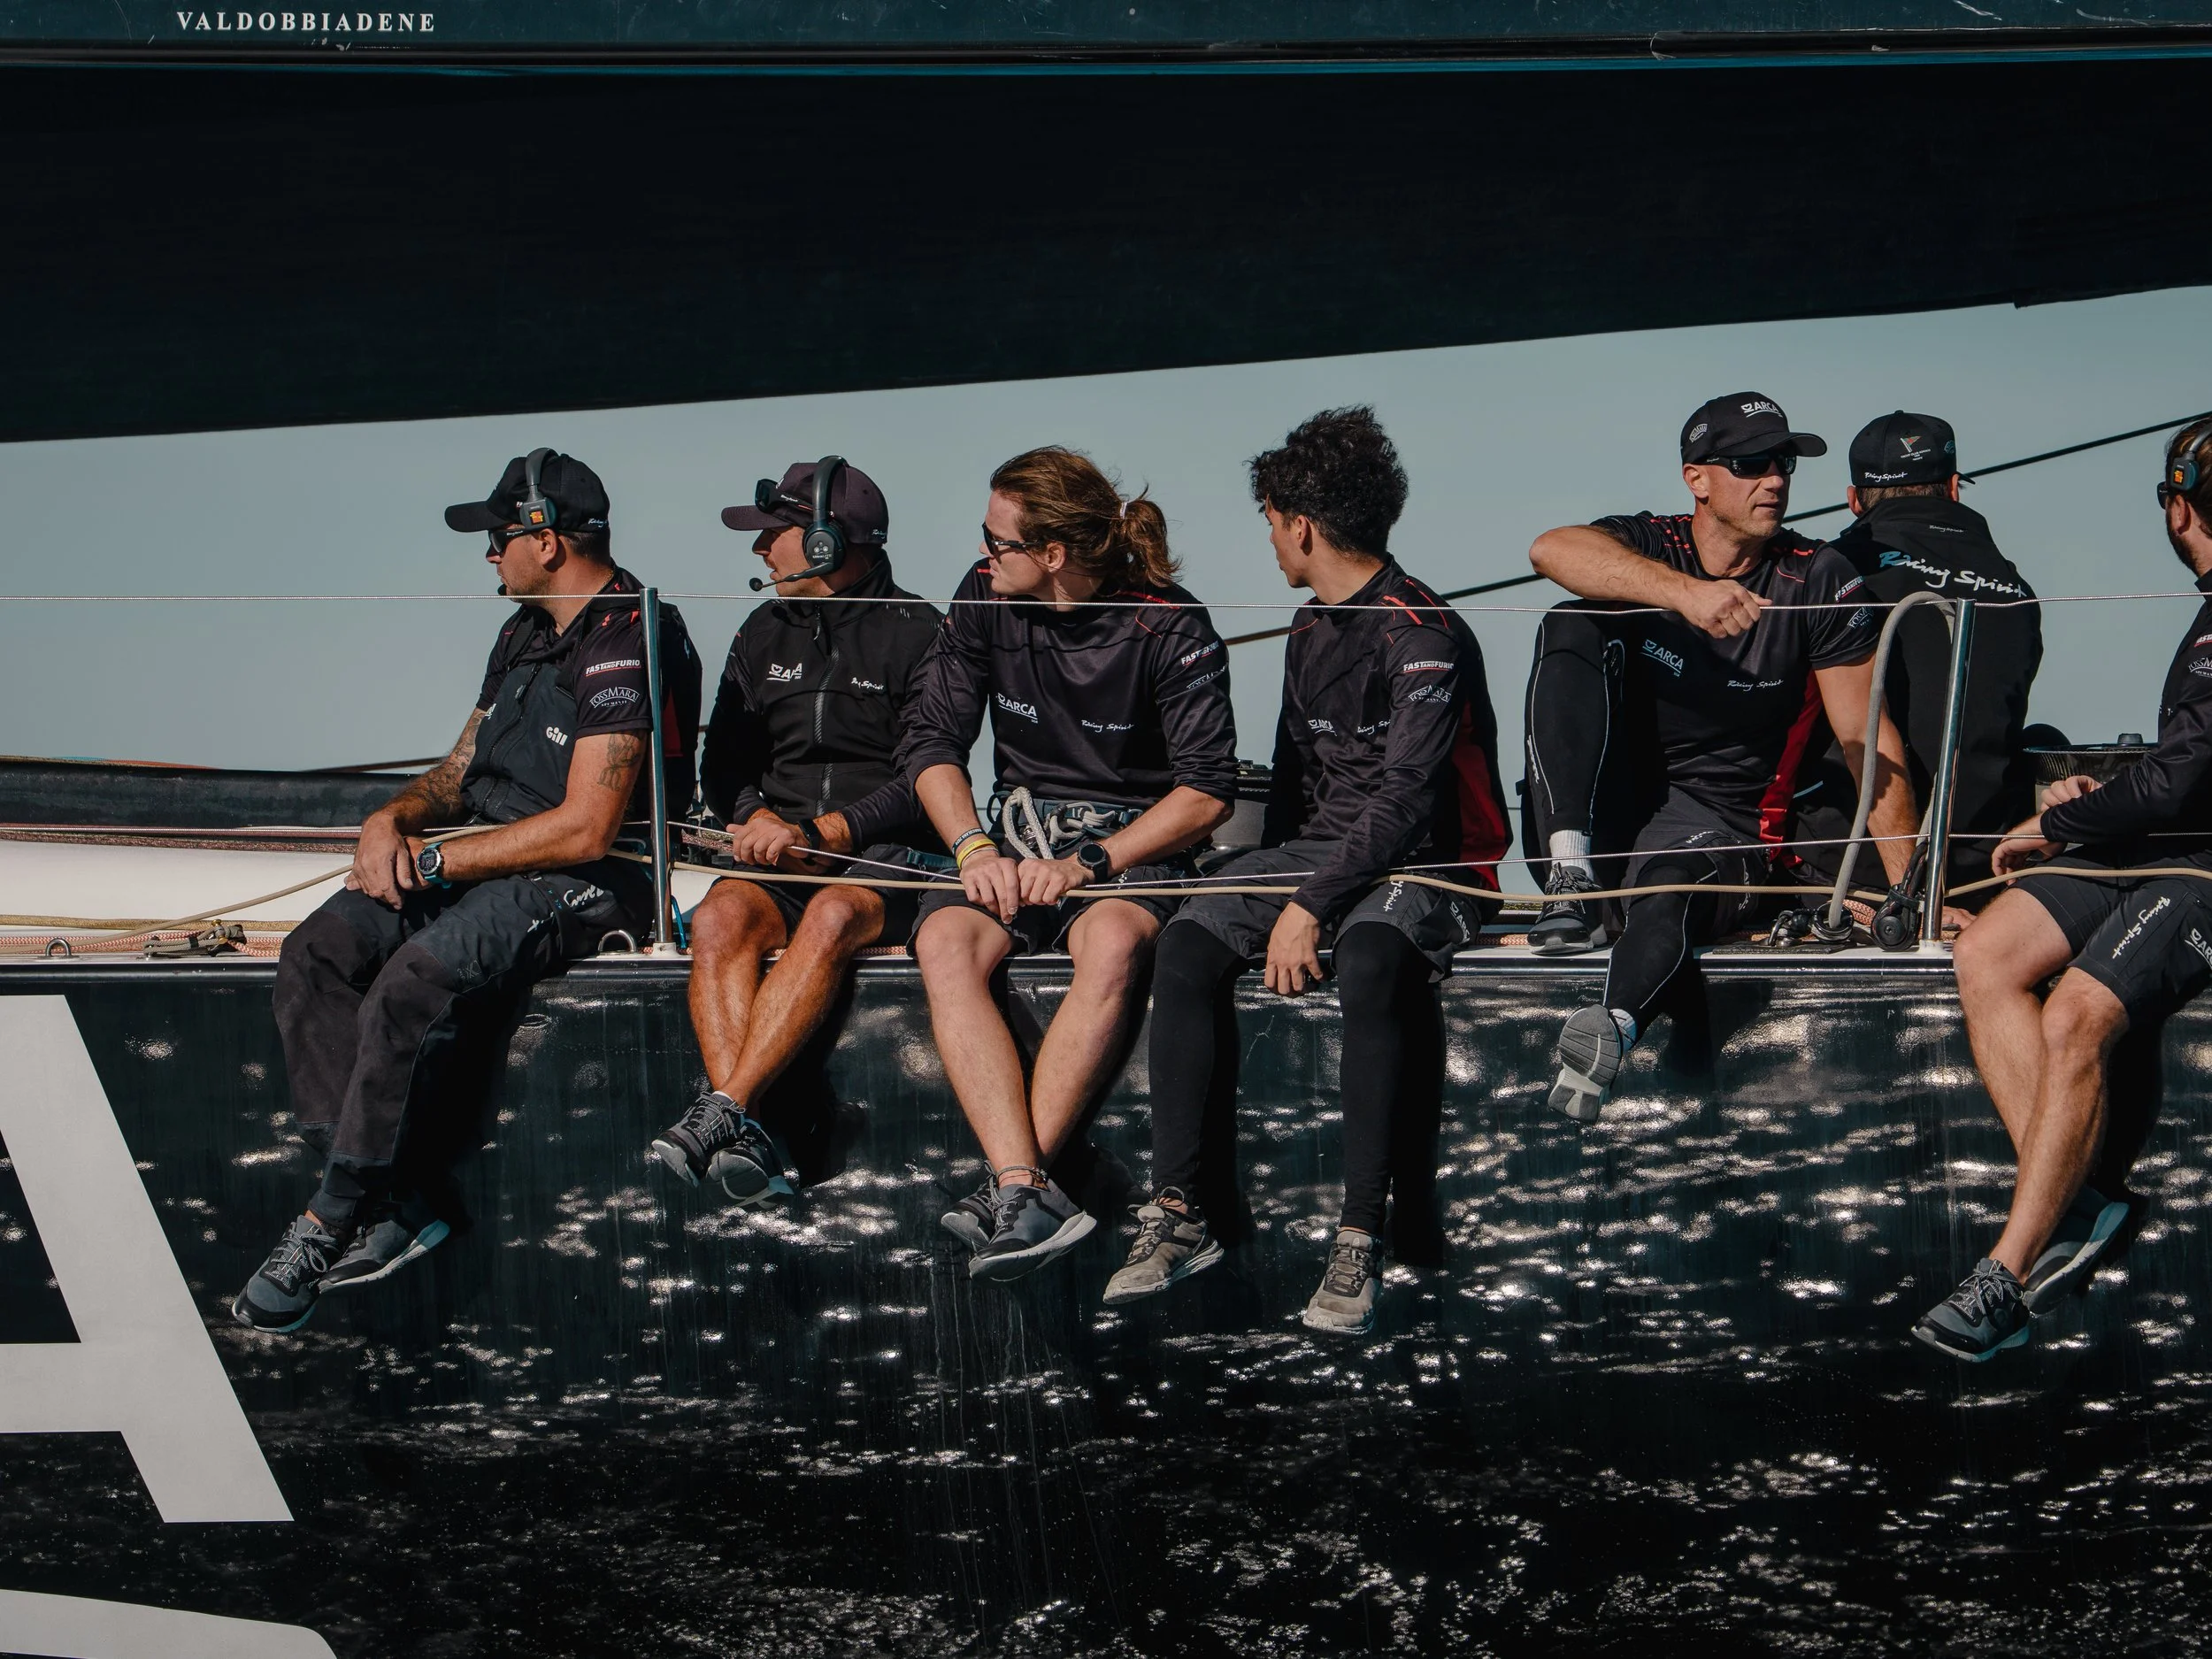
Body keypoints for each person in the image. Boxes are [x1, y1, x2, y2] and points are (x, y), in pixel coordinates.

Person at [235, 449, 702, 1333]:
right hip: (482, 856)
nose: (488, 555)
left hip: (591, 879)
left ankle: (329, 1218)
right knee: (318, 953)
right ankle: (391, 1201)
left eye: (497, 538)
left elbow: (587, 830)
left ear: (547, 540)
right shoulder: (522, 629)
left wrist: (441, 864)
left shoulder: (626, 633)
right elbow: (461, 767)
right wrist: (393, 821)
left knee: (414, 977)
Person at [1103, 407, 1511, 1334]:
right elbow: (1297, 791)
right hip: (1327, 856)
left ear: (1300, 524)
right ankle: (1179, 1214)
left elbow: (1407, 802)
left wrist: (1306, 907)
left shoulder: (1423, 631)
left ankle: (1360, 1235)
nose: (1270, 542)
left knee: (1368, 951)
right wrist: (1273, 887)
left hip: (1435, 864)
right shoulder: (1306, 627)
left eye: (1269, 523)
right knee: (1191, 940)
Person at [1522, 394, 1919, 1119]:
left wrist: (1911, 895)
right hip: (1604, 821)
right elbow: (1550, 549)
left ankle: (1612, 1028)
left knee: (1668, 885)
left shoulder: (1817, 576)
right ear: (1697, 479)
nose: (1775, 479)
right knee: (1569, 618)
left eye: (1784, 463)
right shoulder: (1653, 542)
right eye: (1751, 464)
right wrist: (1687, 595)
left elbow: (1870, 738)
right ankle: (1566, 869)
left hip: (1724, 826)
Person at [902, 447, 1238, 1282]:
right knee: (945, 943)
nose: (983, 555)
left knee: (1115, 944)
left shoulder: (1171, 622)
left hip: (1128, 849)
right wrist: (974, 846)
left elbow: (1207, 794)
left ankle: (1017, 1189)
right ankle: (1024, 1185)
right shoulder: (982, 596)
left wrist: (1089, 864)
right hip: (1012, 843)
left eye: (998, 540)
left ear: (1052, 555)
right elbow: (931, 743)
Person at [1916, 419, 2212, 1361]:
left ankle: (2003, 1275)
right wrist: (2099, 794)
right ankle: (2080, 1201)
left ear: (2175, 507)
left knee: (2076, 1012)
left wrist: (2056, 822)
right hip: (2158, 843)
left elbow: (2181, 781)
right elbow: (2177, 769)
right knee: (1987, 951)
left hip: (2202, 864)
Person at [648, 457, 945, 1202]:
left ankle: (728, 1109)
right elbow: (723, 767)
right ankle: (747, 1130)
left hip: (885, 855)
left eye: (771, 534)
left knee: (834, 912)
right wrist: (751, 816)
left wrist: (834, 832)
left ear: (823, 543)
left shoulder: (923, 632)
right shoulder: (759, 631)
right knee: (716, 921)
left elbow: (925, 777)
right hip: (780, 851)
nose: (758, 551)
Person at [1791, 412, 2042, 903]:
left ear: (1854, 500)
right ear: (1952, 488)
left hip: (1850, 870)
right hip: (1982, 866)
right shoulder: (2018, 590)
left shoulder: (1827, 576)